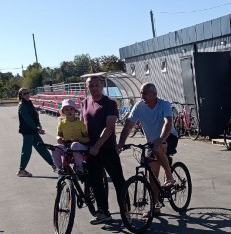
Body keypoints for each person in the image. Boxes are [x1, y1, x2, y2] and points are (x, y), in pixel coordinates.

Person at [117, 82, 179, 214]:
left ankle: (169, 176)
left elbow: (168, 122)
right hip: (152, 141)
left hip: (168, 136)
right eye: (141, 93)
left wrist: (161, 139)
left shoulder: (164, 104)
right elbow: (129, 125)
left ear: (154, 94)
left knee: (158, 148)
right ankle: (155, 206)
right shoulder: (138, 106)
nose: (142, 96)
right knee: (152, 174)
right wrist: (121, 143)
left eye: (144, 93)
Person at [81, 75, 126, 224]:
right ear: (87, 87)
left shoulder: (109, 103)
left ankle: (126, 211)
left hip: (107, 148)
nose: (94, 88)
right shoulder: (84, 103)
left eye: (96, 85)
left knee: (118, 180)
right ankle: (103, 212)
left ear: (102, 86)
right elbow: (81, 126)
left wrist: (97, 146)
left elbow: (109, 128)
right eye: (91, 86)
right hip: (91, 150)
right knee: (96, 182)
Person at [16, 88, 56, 177]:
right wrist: (37, 128)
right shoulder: (22, 105)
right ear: (21, 96)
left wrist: (39, 125)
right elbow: (28, 120)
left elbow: (35, 115)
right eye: (24, 94)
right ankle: (21, 170)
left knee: (42, 148)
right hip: (27, 131)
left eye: (28, 93)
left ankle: (54, 165)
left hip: (33, 131)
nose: (27, 95)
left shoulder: (29, 103)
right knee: (27, 150)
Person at [53, 98, 89, 174]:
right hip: (66, 146)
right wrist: (59, 138)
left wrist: (78, 140)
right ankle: (60, 168)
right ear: (63, 112)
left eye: (71, 109)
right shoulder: (61, 123)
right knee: (54, 148)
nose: (69, 111)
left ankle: (79, 167)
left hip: (79, 146)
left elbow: (87, 138)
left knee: (74, 145)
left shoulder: (80, 123)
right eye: (66, 109)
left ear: (75, 111)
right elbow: (58, 136)